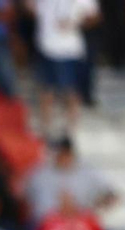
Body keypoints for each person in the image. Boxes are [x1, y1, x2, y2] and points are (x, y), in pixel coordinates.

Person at [31, 0, 99, 134]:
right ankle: (46, 127)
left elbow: (95, 16)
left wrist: (75, 23)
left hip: (69, 49)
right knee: (46, 90)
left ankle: (71, 128)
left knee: (71, 90)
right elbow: (32, 9)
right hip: (46, 46)